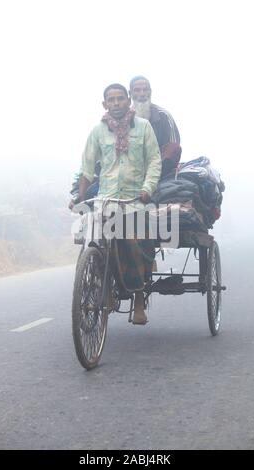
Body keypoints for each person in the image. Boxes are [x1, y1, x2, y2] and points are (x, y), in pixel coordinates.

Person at [74, 83, 161, 325]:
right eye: (110, 100)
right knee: (95, 243)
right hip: (106, 199)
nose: (115, 103)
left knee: (134, 246)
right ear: (104, 104)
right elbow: (87, 168)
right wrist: (80, 198)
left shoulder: (144, 128)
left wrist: (147, 189)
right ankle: (104, 287)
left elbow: (154, 162)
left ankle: (140, 299)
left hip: (135, 201)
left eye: (120, 99)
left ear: (128, 101)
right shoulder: (97, 132)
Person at [129, 75, 181, 177]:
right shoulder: (123, 118)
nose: (142, 93)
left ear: (150, 92)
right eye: (137, 90)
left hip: (159, 163)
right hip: (131, 164)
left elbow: (173, 145)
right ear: (130, 93)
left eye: (145, 90)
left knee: (174, 148)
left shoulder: (163, 115)